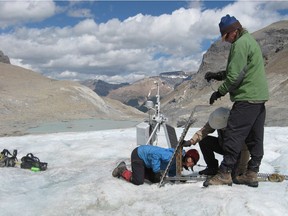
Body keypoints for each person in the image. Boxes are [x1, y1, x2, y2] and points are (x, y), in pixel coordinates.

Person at [203, 14, 269, 187]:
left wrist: (219, 92)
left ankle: (224, 174)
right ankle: (252, 173)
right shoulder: (249, 41)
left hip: (246, 97)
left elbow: (234, 77)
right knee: (255, 137)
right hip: (259, 98)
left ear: (233, 31)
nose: (226, 41)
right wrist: (218, 75)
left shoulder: (239, 44)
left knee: (233, 134)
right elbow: (239, 69)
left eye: (226, 36)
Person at [183, 107, 250, 178]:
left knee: (234, 174)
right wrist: (191, 141)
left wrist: (241, 168)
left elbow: (244, 150)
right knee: (204, 141)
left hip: (236, 152)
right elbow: (203, 131)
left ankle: (235, 168)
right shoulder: (217, 119)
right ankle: (212, 168)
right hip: (224, 146)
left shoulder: (238, 126)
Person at [112, 145, 199, 185]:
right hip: (139, 155)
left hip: (147, 162)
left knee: (155, 179)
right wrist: (156, 171)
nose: (190, 163)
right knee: (138, 181)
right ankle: (122, 169)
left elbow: (171, 173)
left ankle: (140, 173)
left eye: (192, 163)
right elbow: (155, 155)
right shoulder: (173, 156)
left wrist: (178, 178)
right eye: (190, 160)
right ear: (187, 156)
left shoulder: (177, 163)